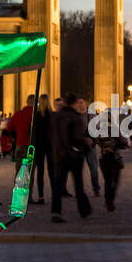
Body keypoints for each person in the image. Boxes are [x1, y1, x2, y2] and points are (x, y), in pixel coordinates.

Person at [49, 93, 92, 223]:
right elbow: (78, 137)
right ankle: (84, 210)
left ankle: (56, 212)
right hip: (74, 156)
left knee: (57, 185)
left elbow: (50, 135)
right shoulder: (76, 117)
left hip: (59, 155)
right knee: (78, 184)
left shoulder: (55, 117)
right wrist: (86, 143)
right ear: (74, 103)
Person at [96, 109, 128, 212]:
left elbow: (97, 142)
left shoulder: (98, 130)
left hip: (103, 157)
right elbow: (122, 141)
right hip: (114, 158)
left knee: (107, 181)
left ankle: (107, 200)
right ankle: (110, 200)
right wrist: (125, 145)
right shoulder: (114, 129)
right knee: (115, 181)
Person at [31, 94, 51, 202]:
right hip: (50, 145)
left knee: (40, 172)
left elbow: (33, 131)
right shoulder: (52, 115)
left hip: (39, 145)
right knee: (52, 171)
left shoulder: (37, 115)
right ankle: (56, 195)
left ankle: (41, 196)